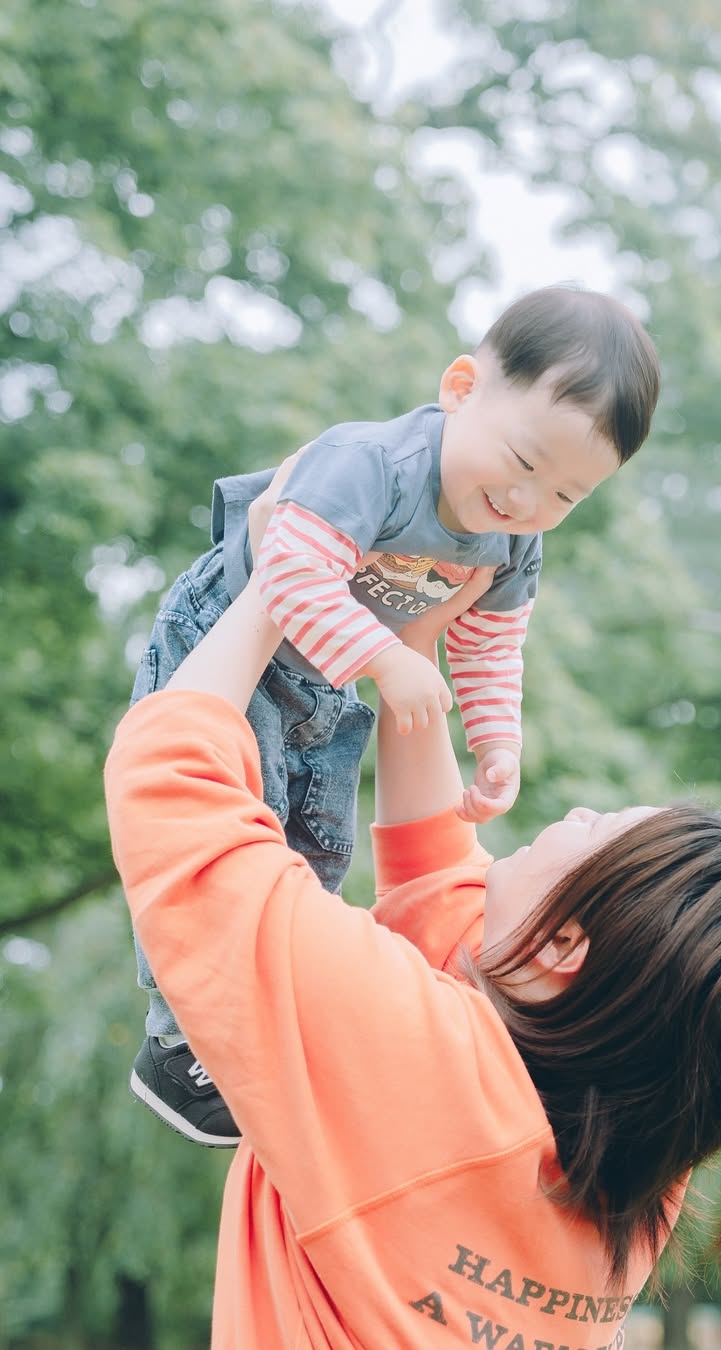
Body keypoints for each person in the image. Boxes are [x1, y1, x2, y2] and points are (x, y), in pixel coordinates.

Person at [104, 467, 721, 1349]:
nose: (572, 815)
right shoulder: (628, 1179)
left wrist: (273, 579)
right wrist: (416, 648)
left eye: (594, 828)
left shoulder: (410, 1054)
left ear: (565, 943)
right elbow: (449, 911)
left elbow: (176, 798)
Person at [127, 284, 662, 1145]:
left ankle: (256, 1015)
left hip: (327, 680)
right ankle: (177, 1035)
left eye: (567, 496)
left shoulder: (514, 541)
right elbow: (289, 575)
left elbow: (490, 644)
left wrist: (495, 740)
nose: (529, 505)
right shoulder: (371, 464)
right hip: (234, 645)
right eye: (524, 464)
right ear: (461, 388)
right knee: (227, 826)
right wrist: (388, 659)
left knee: (316, 851)